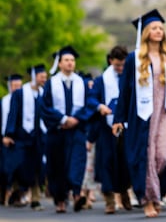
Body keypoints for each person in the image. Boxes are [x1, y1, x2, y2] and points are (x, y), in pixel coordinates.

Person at [112, 9, 166, 218]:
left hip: (165, 113)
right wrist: (119, 118)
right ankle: (148, 200)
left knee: (163, 156)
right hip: (142, 116)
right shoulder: (133, 59)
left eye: (161, 28)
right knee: (146, 156)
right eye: (154, 28)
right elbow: (125, 91)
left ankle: (155, 193)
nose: (158, 31)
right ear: (145, 32)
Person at [39, 46, 99, 213]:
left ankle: (77, 194)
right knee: (57, 166)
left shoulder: (82, 82)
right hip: (57, 131)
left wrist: (76, 119)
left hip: (77, 130)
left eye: (72, 60)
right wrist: (63, 119)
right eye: (66, 60)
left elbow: (89, 104)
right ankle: (60, 200)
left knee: (77, 162)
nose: (70, 63)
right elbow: (45, 107)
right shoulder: (51, 83)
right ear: (59, 63)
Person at [90, 46, 131, 214]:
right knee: (106, 162)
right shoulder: (101, 80)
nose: (120, 68)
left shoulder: (130, 78)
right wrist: (100, 106)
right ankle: (109, 200)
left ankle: (124, 192)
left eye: (123, 65)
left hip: (126, 127)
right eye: (117, 65)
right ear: (110, 61)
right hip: (106, 128)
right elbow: (91, 97)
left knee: (125, 162)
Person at [3, 65, 47, 211]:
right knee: (18, 165)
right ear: (34, 76)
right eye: (41, 76)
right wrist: (9, 134)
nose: (44, 79)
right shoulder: (20, 94)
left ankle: (35, 199)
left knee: (36, 168)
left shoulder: (44, 93)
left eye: (45, 77)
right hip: (21, 137)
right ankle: (18, 191)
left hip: (37, 137)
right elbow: (13, 113)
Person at [1, 73, 23, 206]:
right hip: (3, 139)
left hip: (18, 139)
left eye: (19, 86)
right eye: (15, 86)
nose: (17, 88)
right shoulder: (4, 101)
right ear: (10, 86)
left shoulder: (24, 100)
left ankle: (15, 194)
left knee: (17, 167)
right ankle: (5, 193)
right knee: (4, 168)